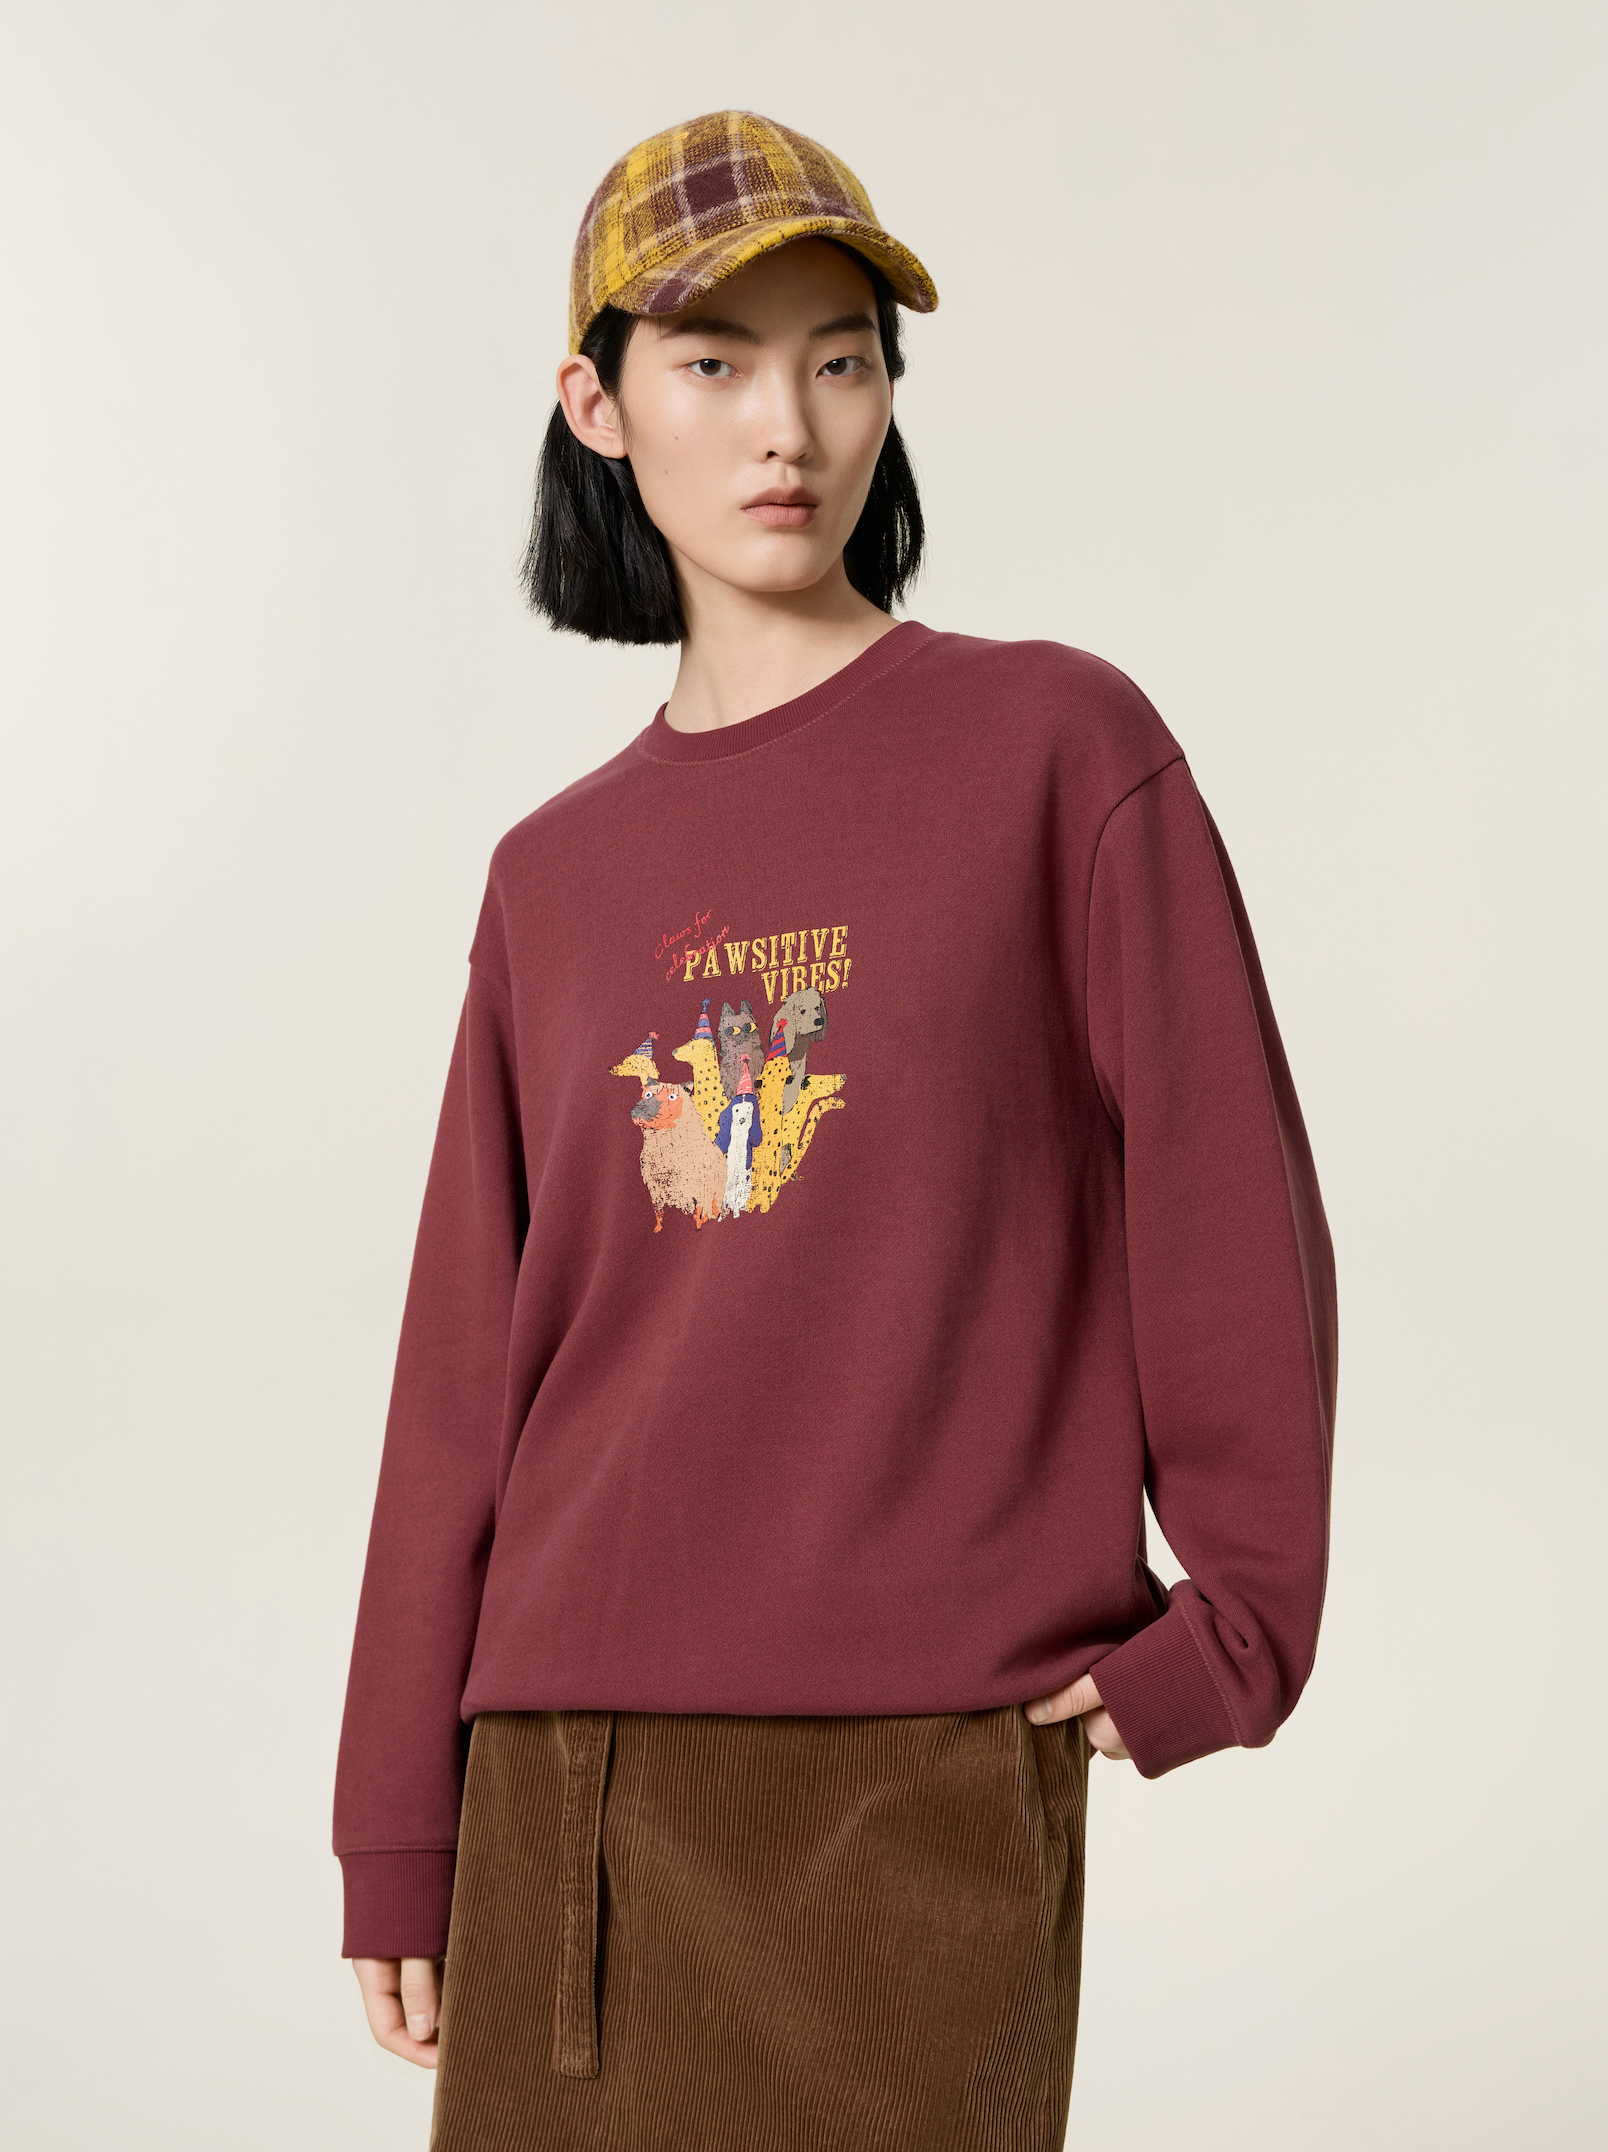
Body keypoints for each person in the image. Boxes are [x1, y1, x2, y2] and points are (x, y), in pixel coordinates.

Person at [333, 108, 1338, 2151]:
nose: (785, 425)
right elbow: (462, 1376)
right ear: (597, 406)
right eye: (714, 363)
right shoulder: (552, 877)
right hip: (568, 1774)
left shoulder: (1061, 752)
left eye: (843, 359)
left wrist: (1236, 1625)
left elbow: (1227, 1209)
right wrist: (396, 1817)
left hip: (924, 1767)